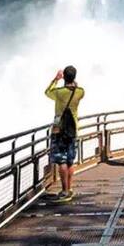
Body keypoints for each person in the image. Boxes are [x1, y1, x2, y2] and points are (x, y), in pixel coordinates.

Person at [45, 65, 85, 202]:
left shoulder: (59, 92)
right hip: (73, 129)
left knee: (61, 160)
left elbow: (47, 92)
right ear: (74, 77)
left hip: (59, 130)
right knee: (70, 160)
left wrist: (56, 79)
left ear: (64, 77)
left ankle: (64, 191)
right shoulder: (80, 92)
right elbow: (78, 88)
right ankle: (70, 187)